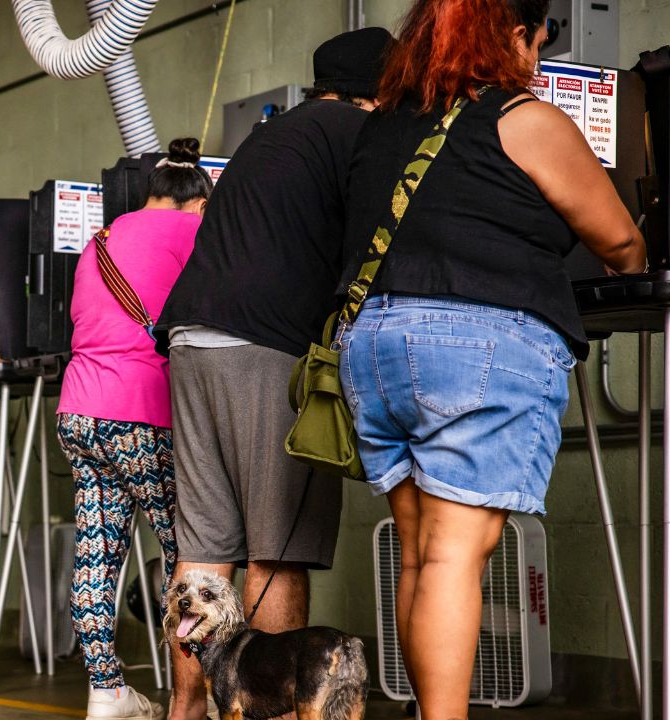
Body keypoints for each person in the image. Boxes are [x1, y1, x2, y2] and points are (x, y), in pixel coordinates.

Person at [336, 2, 644, 717]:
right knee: (453, 556)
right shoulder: (525, 119)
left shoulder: (382, 126)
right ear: (510, 35)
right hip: (471, 348)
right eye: (536, 41)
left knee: (419, 554)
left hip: (372, 347)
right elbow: (622, 243)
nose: (537, 60)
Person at [153, 27, 393, 720]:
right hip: (264, 347)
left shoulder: (269, 136)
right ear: (378, 92)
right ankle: (277, 712)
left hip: (191, 340)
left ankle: (187, 710)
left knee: (203, 548)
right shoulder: (357, 134)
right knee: (276, 543)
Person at [55, 138, 209, 720]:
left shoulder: (99, 241)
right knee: (187, 558)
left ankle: (106, 692)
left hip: (80, 412)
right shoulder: (192, 233)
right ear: (197, 204)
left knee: (96, 553)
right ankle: (193, 698)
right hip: (141, 413)